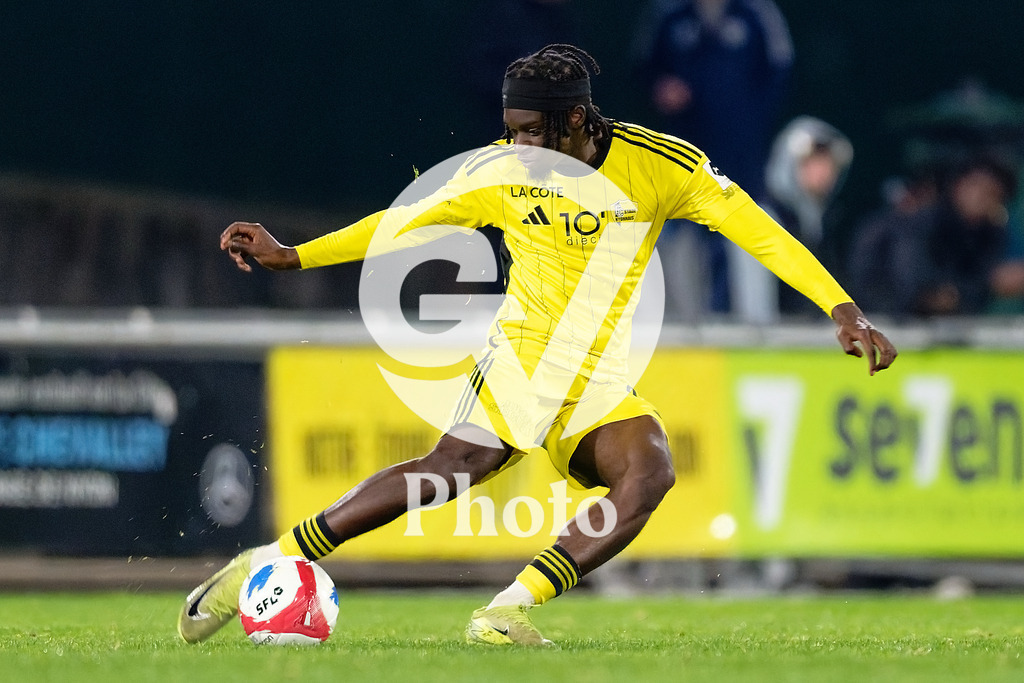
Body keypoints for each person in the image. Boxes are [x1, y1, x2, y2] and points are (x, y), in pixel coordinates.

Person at [177, 44, 896, 647]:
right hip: (523, 355)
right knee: (454, 468)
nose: (516, 145)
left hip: (599, 379)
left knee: (648, 474)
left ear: (576, 120)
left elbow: (756, 227)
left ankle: (506, 609)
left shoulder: (660, 165)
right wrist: (296, 255)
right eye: (510, 129)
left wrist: (841, 307)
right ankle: (261, 562)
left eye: (529, 131)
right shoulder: (500, 171)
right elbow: (403, 222)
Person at [635, 0, 794, 318]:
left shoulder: (756, 13)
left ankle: (757, 327)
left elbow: (781, 70)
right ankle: (679, 329)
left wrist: (748, 119)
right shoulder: (669, 14)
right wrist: (659, 89)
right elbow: (643, 68)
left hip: (741, 159)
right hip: (683, 156)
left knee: (749, 240)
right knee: (678, 246)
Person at [848, 154, 1017, 317]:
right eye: (975, 186)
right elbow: (910, 286)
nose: (979, 198)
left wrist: (988, 283)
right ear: (957, 185)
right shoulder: (921, 224)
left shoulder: (991, 233)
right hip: (887, 320)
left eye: (992, 193)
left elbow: (975, 290)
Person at [756, 116, 854, 317]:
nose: (823, 172)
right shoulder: (764, 218)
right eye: (812, 162)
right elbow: (756, 311)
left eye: (829, 163)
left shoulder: (825, 222)